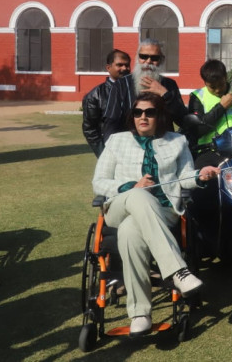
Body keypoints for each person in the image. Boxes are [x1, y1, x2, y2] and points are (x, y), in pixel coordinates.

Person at [92, 93, 219, 336]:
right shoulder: (116, 141)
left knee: (130, 232)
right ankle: (178, 271)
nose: (143, 117)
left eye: (149, 112)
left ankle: (139, 314)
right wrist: (131, 186)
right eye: (138, 112)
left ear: (159, 116)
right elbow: (99, 182)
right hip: (119, 207)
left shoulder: (177, 141)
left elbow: (184, 177)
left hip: (163, 211)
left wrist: (200, 175)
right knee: (139, 195)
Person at [103, 39, 187, 142]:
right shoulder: (121, 85)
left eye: (154, 58)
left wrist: (165, 95)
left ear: (161, 60)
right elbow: (111, 123)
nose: (148, 61)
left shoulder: (170, 85)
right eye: (143, 56)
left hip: (163, 145)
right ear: (137, 57)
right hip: (130, 146)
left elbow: (183, 120)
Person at [188, 59, 232, 168]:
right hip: (212, 152)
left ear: (226, 77)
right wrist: (221, 107)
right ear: (205, 82)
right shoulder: (198, 97)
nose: (217, 90)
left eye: (221, 85)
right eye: (212, 87)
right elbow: (197, 131)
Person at [82, 49, 131, 157]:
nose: (124, 68)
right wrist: (104, 155)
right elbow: (90, 130)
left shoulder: (136, 90)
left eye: (127, 65)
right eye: (119, 65)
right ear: (108, 67)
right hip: (111, 151)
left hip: (134, 150)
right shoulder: (95, 95)